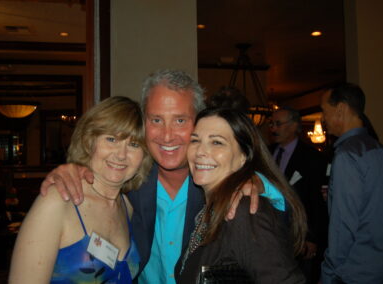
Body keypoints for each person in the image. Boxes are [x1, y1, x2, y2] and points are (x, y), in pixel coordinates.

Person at [39, 70, 260, 284]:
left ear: (199, 123)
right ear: (143, 122)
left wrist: (254, 182)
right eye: (156, 120)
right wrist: (72, 169)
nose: (167, 135)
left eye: (180, 121)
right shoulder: (127, 182)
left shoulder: (220, 182)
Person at [9, 96, 152, 283]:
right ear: (89, 141)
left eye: (134, 145)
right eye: (111, 139)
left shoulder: (127, 206)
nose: (121, 154)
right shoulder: (57, 202)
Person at [176, 107, 307, 283]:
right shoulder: (208, 210)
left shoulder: (245, 212)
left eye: (217, 142)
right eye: (195, 140)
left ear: (243, 157)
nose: (200, 151)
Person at [320, 83, 383, 283]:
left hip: (354, 272)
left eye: (324, 111)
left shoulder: (347, 155)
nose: (323, 119)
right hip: (382, 268)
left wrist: (328, 274)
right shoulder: (381, 150)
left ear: (340, 109)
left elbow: (343, 229)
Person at [269, 107, 328, 283]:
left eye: (278, 124)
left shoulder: (311, 157)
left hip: (299, 235)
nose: (273, 129)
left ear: (294, 126)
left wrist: (311, 237)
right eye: (271, 124)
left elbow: (315, 202)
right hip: (271, 233)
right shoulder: (268, 152)